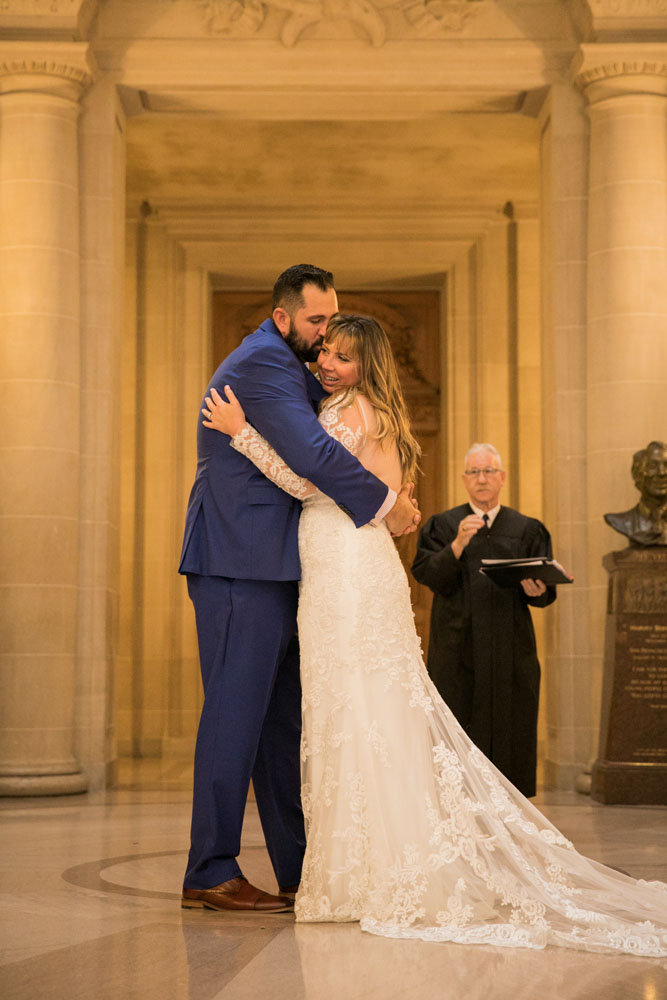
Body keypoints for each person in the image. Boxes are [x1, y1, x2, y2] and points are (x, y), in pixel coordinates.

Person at [203, 314, 667, 956]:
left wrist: (243, 435)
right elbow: (380, 503)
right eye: (326, 352)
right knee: (364, 713)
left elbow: (310, 481)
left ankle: (366, 878)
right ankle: (371, 869)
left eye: (340, 356)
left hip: (344, 571)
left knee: (353, 711)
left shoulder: (350, 413)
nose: (326, 364)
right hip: (353, 567)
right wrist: (394, 506)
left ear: (366, 365)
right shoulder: (375, 414)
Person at [178, 266, 420, 914]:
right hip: (238, 562)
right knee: (235, 714)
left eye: (333, 326)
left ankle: (301, 867)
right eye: (316, 324)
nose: (323, 339)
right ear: (282, 317)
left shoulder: (297, 370)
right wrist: (387, 504)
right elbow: (312, 457)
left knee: (280, 724)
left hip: (282, 566)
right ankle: (210, 868)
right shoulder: (263, 362)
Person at [410, 446, 555, 798]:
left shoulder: (526, 528)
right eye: (474, 472)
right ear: (464, 480)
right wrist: (458, 544)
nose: (482, 478)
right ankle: (458, 803)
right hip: (457, 649)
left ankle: (511, 807)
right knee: (459, 722)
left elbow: (545, 591)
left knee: (511, 722)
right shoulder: (444, 526)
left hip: (510, 648)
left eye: (489, 471)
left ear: (502, 478)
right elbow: (427, 574)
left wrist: (536, 589)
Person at [604, 440, 667, 546]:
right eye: (652, 466)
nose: (661, 473)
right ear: (638, 474)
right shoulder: (623, 522)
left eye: (666, 465)